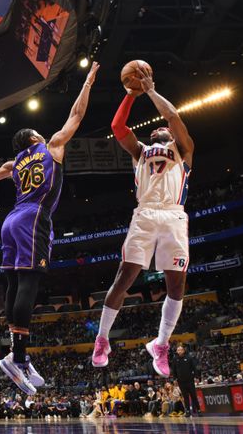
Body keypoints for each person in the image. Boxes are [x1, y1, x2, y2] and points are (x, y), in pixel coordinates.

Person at [0, 62, 99, 395]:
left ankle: (17, 355)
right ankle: (18, 356)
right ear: (36, 138)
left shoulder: (15, 163)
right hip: (34, 217)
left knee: (12, 282)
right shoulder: (51, 146)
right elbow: (77, 115)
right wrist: (89, 82)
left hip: (10, 220)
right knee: (29, 282)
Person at [92, 66, 195, 378]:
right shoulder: (140, 152)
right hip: (145, 214)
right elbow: (117, 125)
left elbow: (174, 117)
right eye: (155, 131)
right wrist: (130, 95)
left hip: (174, 215)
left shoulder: (184, 151)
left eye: (162, 130)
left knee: (176, 284)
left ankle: (161, 344)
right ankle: (102, 339)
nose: (158, 131)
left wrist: (150, 91)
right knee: (124, 278)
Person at [171, 344, 200, 416]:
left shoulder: (189, 358)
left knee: (193, 396)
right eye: (178, 350)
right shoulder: (175, 359)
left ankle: (198, 410)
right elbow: (173, 370)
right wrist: (174, 379)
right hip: (181, 381)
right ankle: (187, 411)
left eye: (181, 350)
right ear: (177, 351)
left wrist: (196, 377)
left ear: (183, 350)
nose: (179, 351)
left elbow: (194, 368)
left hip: (190, 380)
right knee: (185, 397)